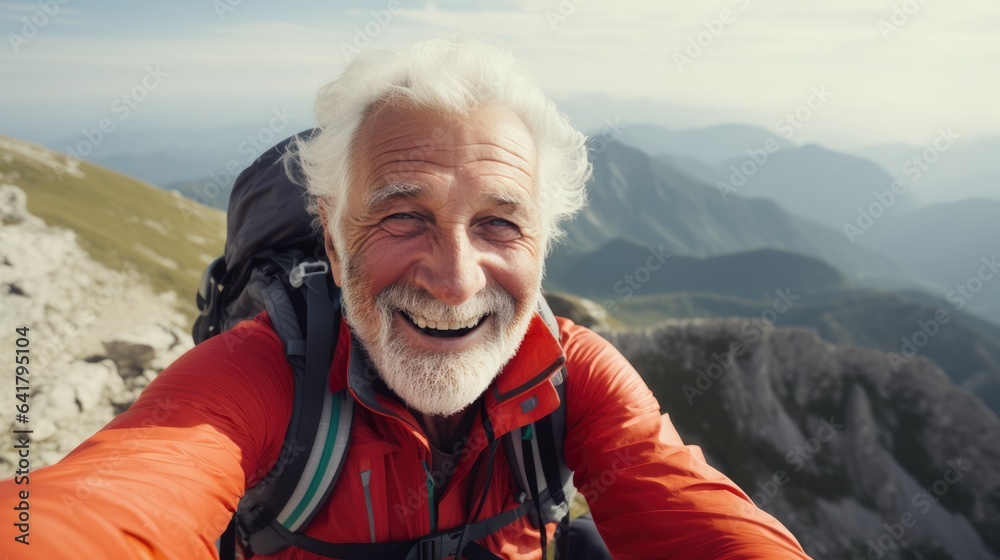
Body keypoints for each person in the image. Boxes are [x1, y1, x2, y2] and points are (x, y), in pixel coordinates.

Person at [0, 36, 812, 559]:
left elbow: (699, 517)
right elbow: (100, 510)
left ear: (543, 244)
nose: (455, 280)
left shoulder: (570, 372)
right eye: (403, 216)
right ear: (330, 233)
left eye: (499, 223)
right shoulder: (256, 380)